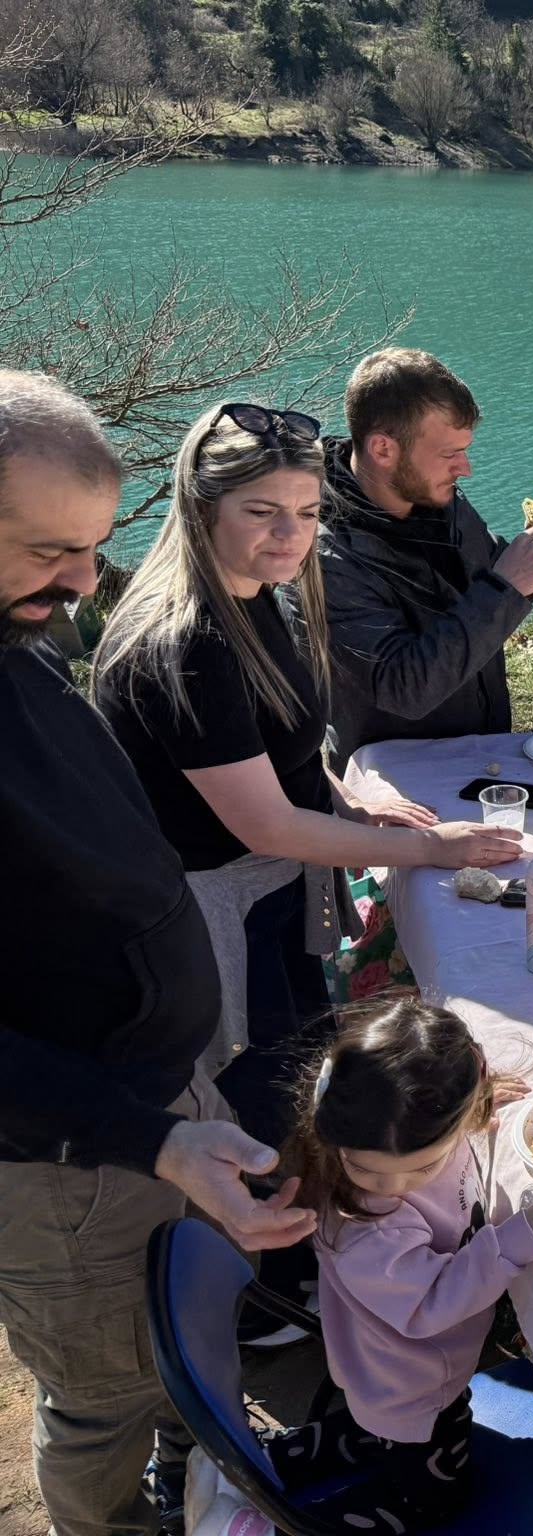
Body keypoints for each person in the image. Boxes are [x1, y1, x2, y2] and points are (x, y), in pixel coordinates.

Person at [0, 370, 314, 1536]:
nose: (84, 582)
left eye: (90, 546)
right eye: (47, 551)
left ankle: (194, 1455)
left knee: (183, 1321)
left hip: (153, 1096)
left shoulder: (12, 628)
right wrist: (150, 1133)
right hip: (67, 1158)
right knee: (98, 1390)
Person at [94, 402, 522, 1153]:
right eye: (262, 511)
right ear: (202, 508)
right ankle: (282, 1260)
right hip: (214, 919)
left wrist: (350, 796)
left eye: (307, 510)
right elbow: (264, 822)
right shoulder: (188, 641)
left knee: (305, 1083)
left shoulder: (252, 594)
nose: (291, 534)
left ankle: (318, 1233)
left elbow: (284, 747)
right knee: (263, 1110)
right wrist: (432, 850)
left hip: (275, 892)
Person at [271, 998, 533, 1532]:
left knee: (377, 1433)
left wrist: (481, 1104)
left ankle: (276, 1462)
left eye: (420, 1167)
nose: (391, 1187)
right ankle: (278, 1524)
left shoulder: (399, 1130)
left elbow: (444, 1134)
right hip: (415, 1383)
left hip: (387, 1376)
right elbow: (431, 1304)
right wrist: (523, 1236)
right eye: (363, 1167)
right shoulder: (367, 1226)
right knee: (432, 1499)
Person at [306, 348, 533, 766]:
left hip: (481, 757)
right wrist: (506, 585)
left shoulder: (436, 497)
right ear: (383, 449)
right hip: (395, 790)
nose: (466, 468)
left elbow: (493, 578)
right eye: (449, 454)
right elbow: (404, 688)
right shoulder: (325, 556)